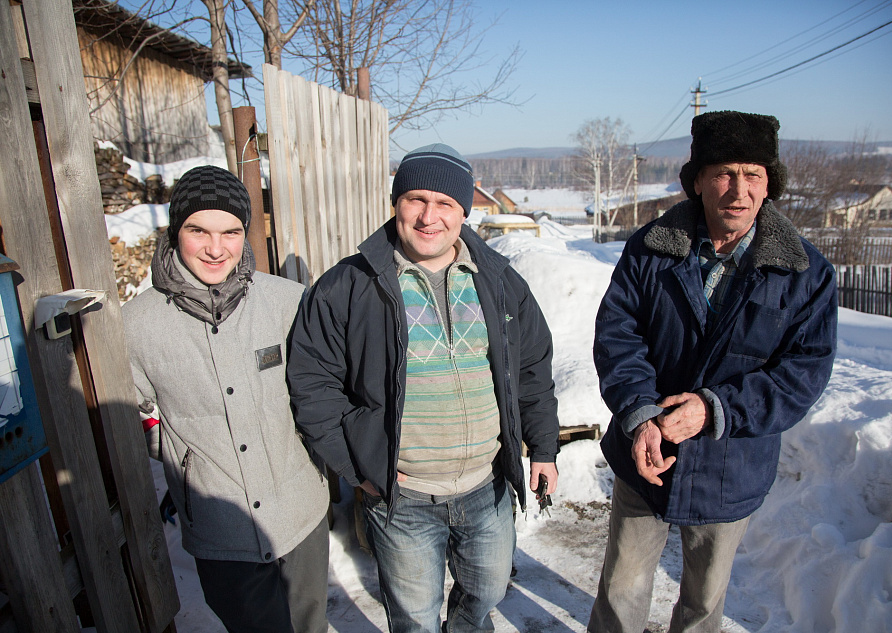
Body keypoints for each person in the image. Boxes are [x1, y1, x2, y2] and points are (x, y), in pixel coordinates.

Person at [287, 143, 560, 633]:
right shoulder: (347, 286)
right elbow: (312, 386)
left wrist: (543, 448)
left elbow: (533, 368)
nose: (429, 216)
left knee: (488, 592)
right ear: (396, 203)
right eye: (416, 199)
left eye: (445, 204)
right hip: (401, 495)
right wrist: (359, 469)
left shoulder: (498, 280)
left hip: (486, 485)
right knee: (414, 618)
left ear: (463, 211)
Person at [587, 111, 837, 633]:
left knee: (704, 603)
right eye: (723, 172)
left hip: (732, 464)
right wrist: (642, 414)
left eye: (753, 174)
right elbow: (618, 336)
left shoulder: (804, 273)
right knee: (621, 590)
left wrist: (713, 408)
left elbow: (801, 373)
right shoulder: (650, 249)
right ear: (697, 179)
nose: (738, 190)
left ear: (770, 185)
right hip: (645, 454)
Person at [122, 165, 330, 633]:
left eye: (231, 232)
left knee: (309, 625)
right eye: (199, 231)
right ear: (176, 231)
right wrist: (177, 451)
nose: (217, 249)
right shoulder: (135, 325)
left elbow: (323, 387)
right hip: (219, 525)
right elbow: (127, 414)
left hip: (300, 510)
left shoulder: (288, 301)